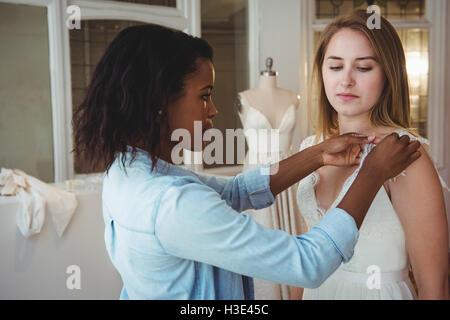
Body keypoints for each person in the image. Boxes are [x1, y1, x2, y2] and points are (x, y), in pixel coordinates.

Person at [72, 24, 421, 300]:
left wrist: (318, 154)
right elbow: (308, 263)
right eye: (204, 96)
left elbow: (236, 190)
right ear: (160, 101)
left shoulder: (125, 170)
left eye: (363, 66)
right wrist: (371, 174)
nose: (214, 110)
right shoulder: (172, 204)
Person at [292, 10, 449, 300]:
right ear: (321, 71)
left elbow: (433, 286)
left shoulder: (406, 156)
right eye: (335, 66)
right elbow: (304, 260)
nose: (346, 80)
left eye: (363, 68)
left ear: (388, 74)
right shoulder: (310, 148)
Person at [237, 58, 303, 300]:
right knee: (260, 242)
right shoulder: (245, 97)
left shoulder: (293, 97)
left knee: (292, 235)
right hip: (256, 172)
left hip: (289, 171)